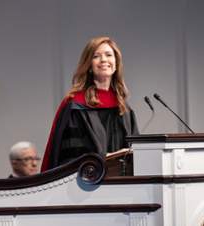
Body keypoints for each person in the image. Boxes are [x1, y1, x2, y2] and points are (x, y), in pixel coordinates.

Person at [41, 37, 139, 172]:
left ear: (116, 64)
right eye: (96, 56)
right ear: (89, 66)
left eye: (109, 55)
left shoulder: (123, 108)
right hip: (89, 184)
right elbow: (72, 155)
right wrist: (108, 157)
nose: (104, 59)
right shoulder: (76, 106)